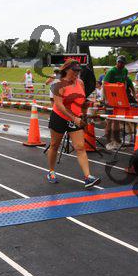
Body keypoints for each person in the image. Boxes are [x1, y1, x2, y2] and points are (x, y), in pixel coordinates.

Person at [47, 59, 101, 189]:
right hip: (59, 117)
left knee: (80, 147)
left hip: (75, 118)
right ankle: (51, 171)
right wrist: (73, 118)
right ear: (66, 70)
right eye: (74, 71)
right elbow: (59, 105)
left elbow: (81, 100)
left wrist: (87, 108)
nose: (76, 73)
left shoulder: (80, 82)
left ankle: (88, 177)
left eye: (78, 71)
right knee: (54, 145)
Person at [103, 55, 136, 150]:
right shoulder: (111, 71)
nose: (120, 64)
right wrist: (106, 99)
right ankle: (108, 142)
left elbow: (125, 82)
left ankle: (117, 141)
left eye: (122, 63)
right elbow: (104, 84)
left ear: (124, 64)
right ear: (116, 62)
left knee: (117, 120)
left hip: (119, 98)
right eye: (119, 62)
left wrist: (125, 95)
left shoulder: (125, 70)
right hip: (110, 97)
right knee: (110, 120)